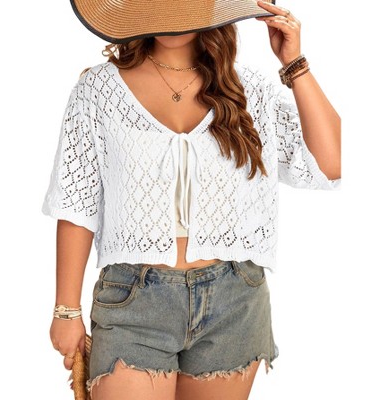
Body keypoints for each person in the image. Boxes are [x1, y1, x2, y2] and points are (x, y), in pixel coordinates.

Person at [42, 1, 341, 399]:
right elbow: (77, 203)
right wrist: (66, 310)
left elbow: (330, 164)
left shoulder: (248, 89)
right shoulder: (98, 90)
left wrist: (295, 64)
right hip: (133, 300)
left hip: (234, 300)